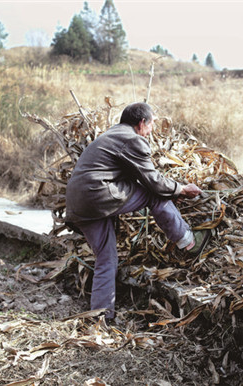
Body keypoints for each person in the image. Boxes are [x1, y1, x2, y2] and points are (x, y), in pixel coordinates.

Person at [65, 102, 209, 320]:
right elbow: (153, 182)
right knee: (154, 194)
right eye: (151, 124)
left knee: (106, 257)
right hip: (98, 196)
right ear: (142, 123)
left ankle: (101, 317)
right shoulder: (133, 139)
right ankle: (188, 240)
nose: (151, 130)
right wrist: (180, 189)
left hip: (79, 203)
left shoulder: (111, 134)